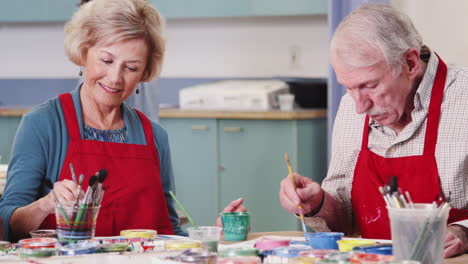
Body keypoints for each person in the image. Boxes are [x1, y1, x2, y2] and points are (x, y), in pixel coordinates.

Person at [0, 0, 245, 242]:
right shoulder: (42, 124)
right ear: (84, 52)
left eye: (131, 68)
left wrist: (214, 235)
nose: (116, 78)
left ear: (144, 73)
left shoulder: (155, 136)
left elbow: (167, 229)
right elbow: (8, 225)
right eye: (106, 60)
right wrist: (47, 204)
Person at [279, 3, 468, 258]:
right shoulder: (352, 105)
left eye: (370, 85)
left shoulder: (463, 98)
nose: (359, 107)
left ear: (410, 63)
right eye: (348, 87)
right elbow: (343, 222)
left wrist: (465, 233)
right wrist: (318, 204)